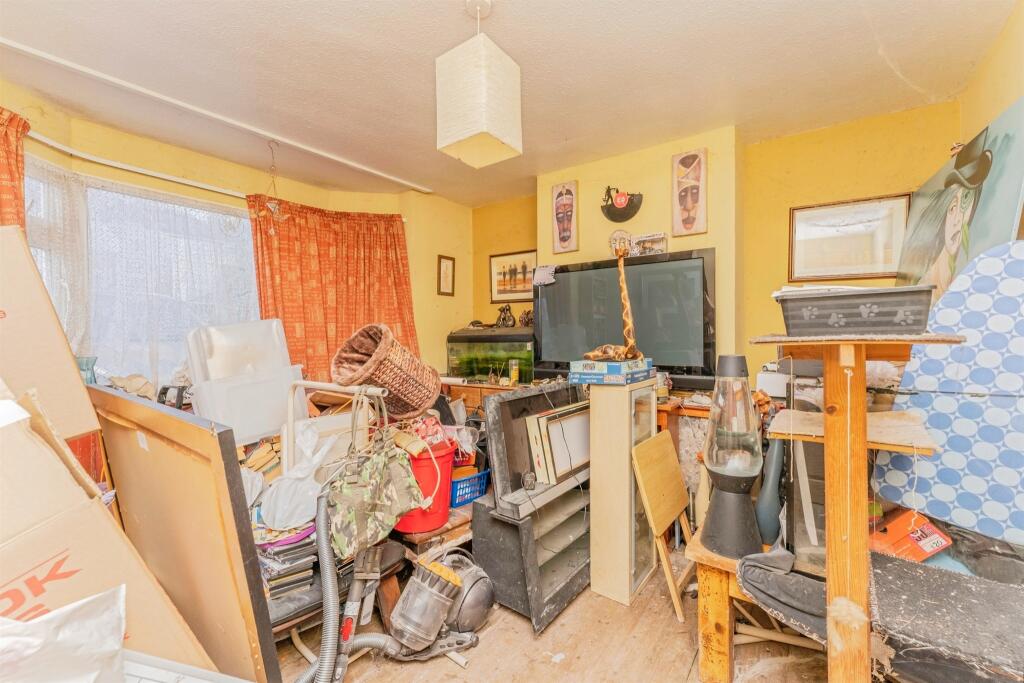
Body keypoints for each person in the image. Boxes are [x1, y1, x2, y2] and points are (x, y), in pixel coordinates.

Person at [897, 132, 991, 301]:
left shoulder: (961, 282)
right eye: (953, 207)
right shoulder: (924, 286)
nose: (957, 220)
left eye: (965, 203)